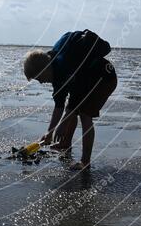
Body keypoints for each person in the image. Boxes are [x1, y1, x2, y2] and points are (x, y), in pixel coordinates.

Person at [23, 30, 117, 170]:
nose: (41, 83)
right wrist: (50, 132)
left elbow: (76, 100)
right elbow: (59, 105)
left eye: (39, 78)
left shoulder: (65, 65)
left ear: (44, 70)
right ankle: (65, 143)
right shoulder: (55, 70)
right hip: (85, 80)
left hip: (103, 79)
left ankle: (85, 162)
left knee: (85, 115)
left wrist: (62, 124)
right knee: (70, 110)